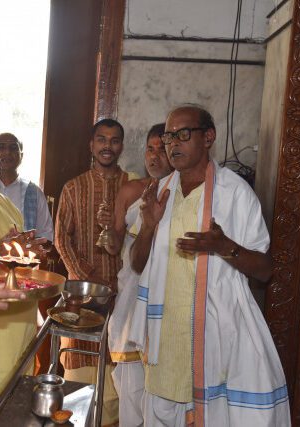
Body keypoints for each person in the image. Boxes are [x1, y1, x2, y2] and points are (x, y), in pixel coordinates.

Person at [129, 105, 289, 426]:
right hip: (167, 340)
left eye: (183, 134)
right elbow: (137, 264)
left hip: (214, 336)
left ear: (208, 138)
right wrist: (148, 226)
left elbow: (265, 269)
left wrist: (223, 246)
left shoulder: (235, 193)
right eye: (169, 136)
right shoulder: (160, 191)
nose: (173, 143)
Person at [54, 118, 136, 425]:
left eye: (114, 140)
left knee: (118, 371)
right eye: (101, 139)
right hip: (82, 297)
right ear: (92, 145)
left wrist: (117, 281)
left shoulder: (134, 187)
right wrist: (86, 278)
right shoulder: (73, 188)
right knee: (78, 372)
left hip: (123, 295)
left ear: (121, 146)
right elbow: (61, 239)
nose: (107, 146)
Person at [97, 123, 173, 427]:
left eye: (161, 150)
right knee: (131, 387)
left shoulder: (185, 195)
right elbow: (115, 246)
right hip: (131, 298)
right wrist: (107, 228)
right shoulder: (131, 190)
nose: (154, 156)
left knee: (164, 392)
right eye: (150, 149)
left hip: (166, 301)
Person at [0, 126, 45, 410]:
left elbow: (15, 258)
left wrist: (27, 252)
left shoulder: (4, 203)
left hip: (18, 325)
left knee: (15, 405)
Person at [0, 133, 54, 241]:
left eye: (13, 148)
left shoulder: (34, 193)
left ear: (21, 156)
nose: (7, 152)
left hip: (23, 251)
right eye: (1, 147)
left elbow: (46, 234)